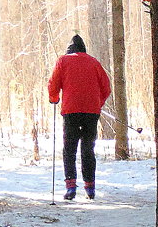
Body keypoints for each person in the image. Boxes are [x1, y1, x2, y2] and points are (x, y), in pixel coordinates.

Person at [48, 35, 111, 200]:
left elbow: (53, 84)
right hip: (91, 112)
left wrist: (54, 98)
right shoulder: (94, 62)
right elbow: (106, 88)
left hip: (71, 111)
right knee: (88, 149)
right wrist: (97, 103)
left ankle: (71, 187)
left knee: (69, 149)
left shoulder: (63, 61)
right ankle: (90, 188)